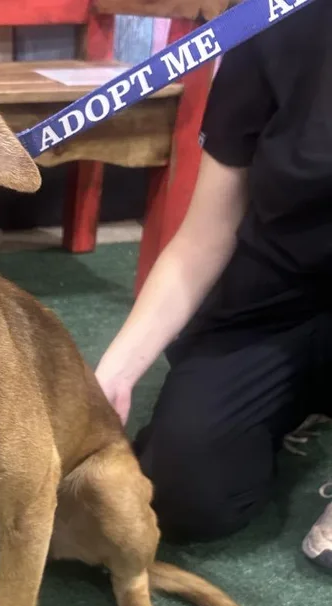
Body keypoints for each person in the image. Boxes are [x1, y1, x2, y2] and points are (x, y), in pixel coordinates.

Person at [94, 0, 332, 568]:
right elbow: (203, 238)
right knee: (181, 493)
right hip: (276, 298)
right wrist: (115, 372)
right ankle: (299, 400)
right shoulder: (274, 22)